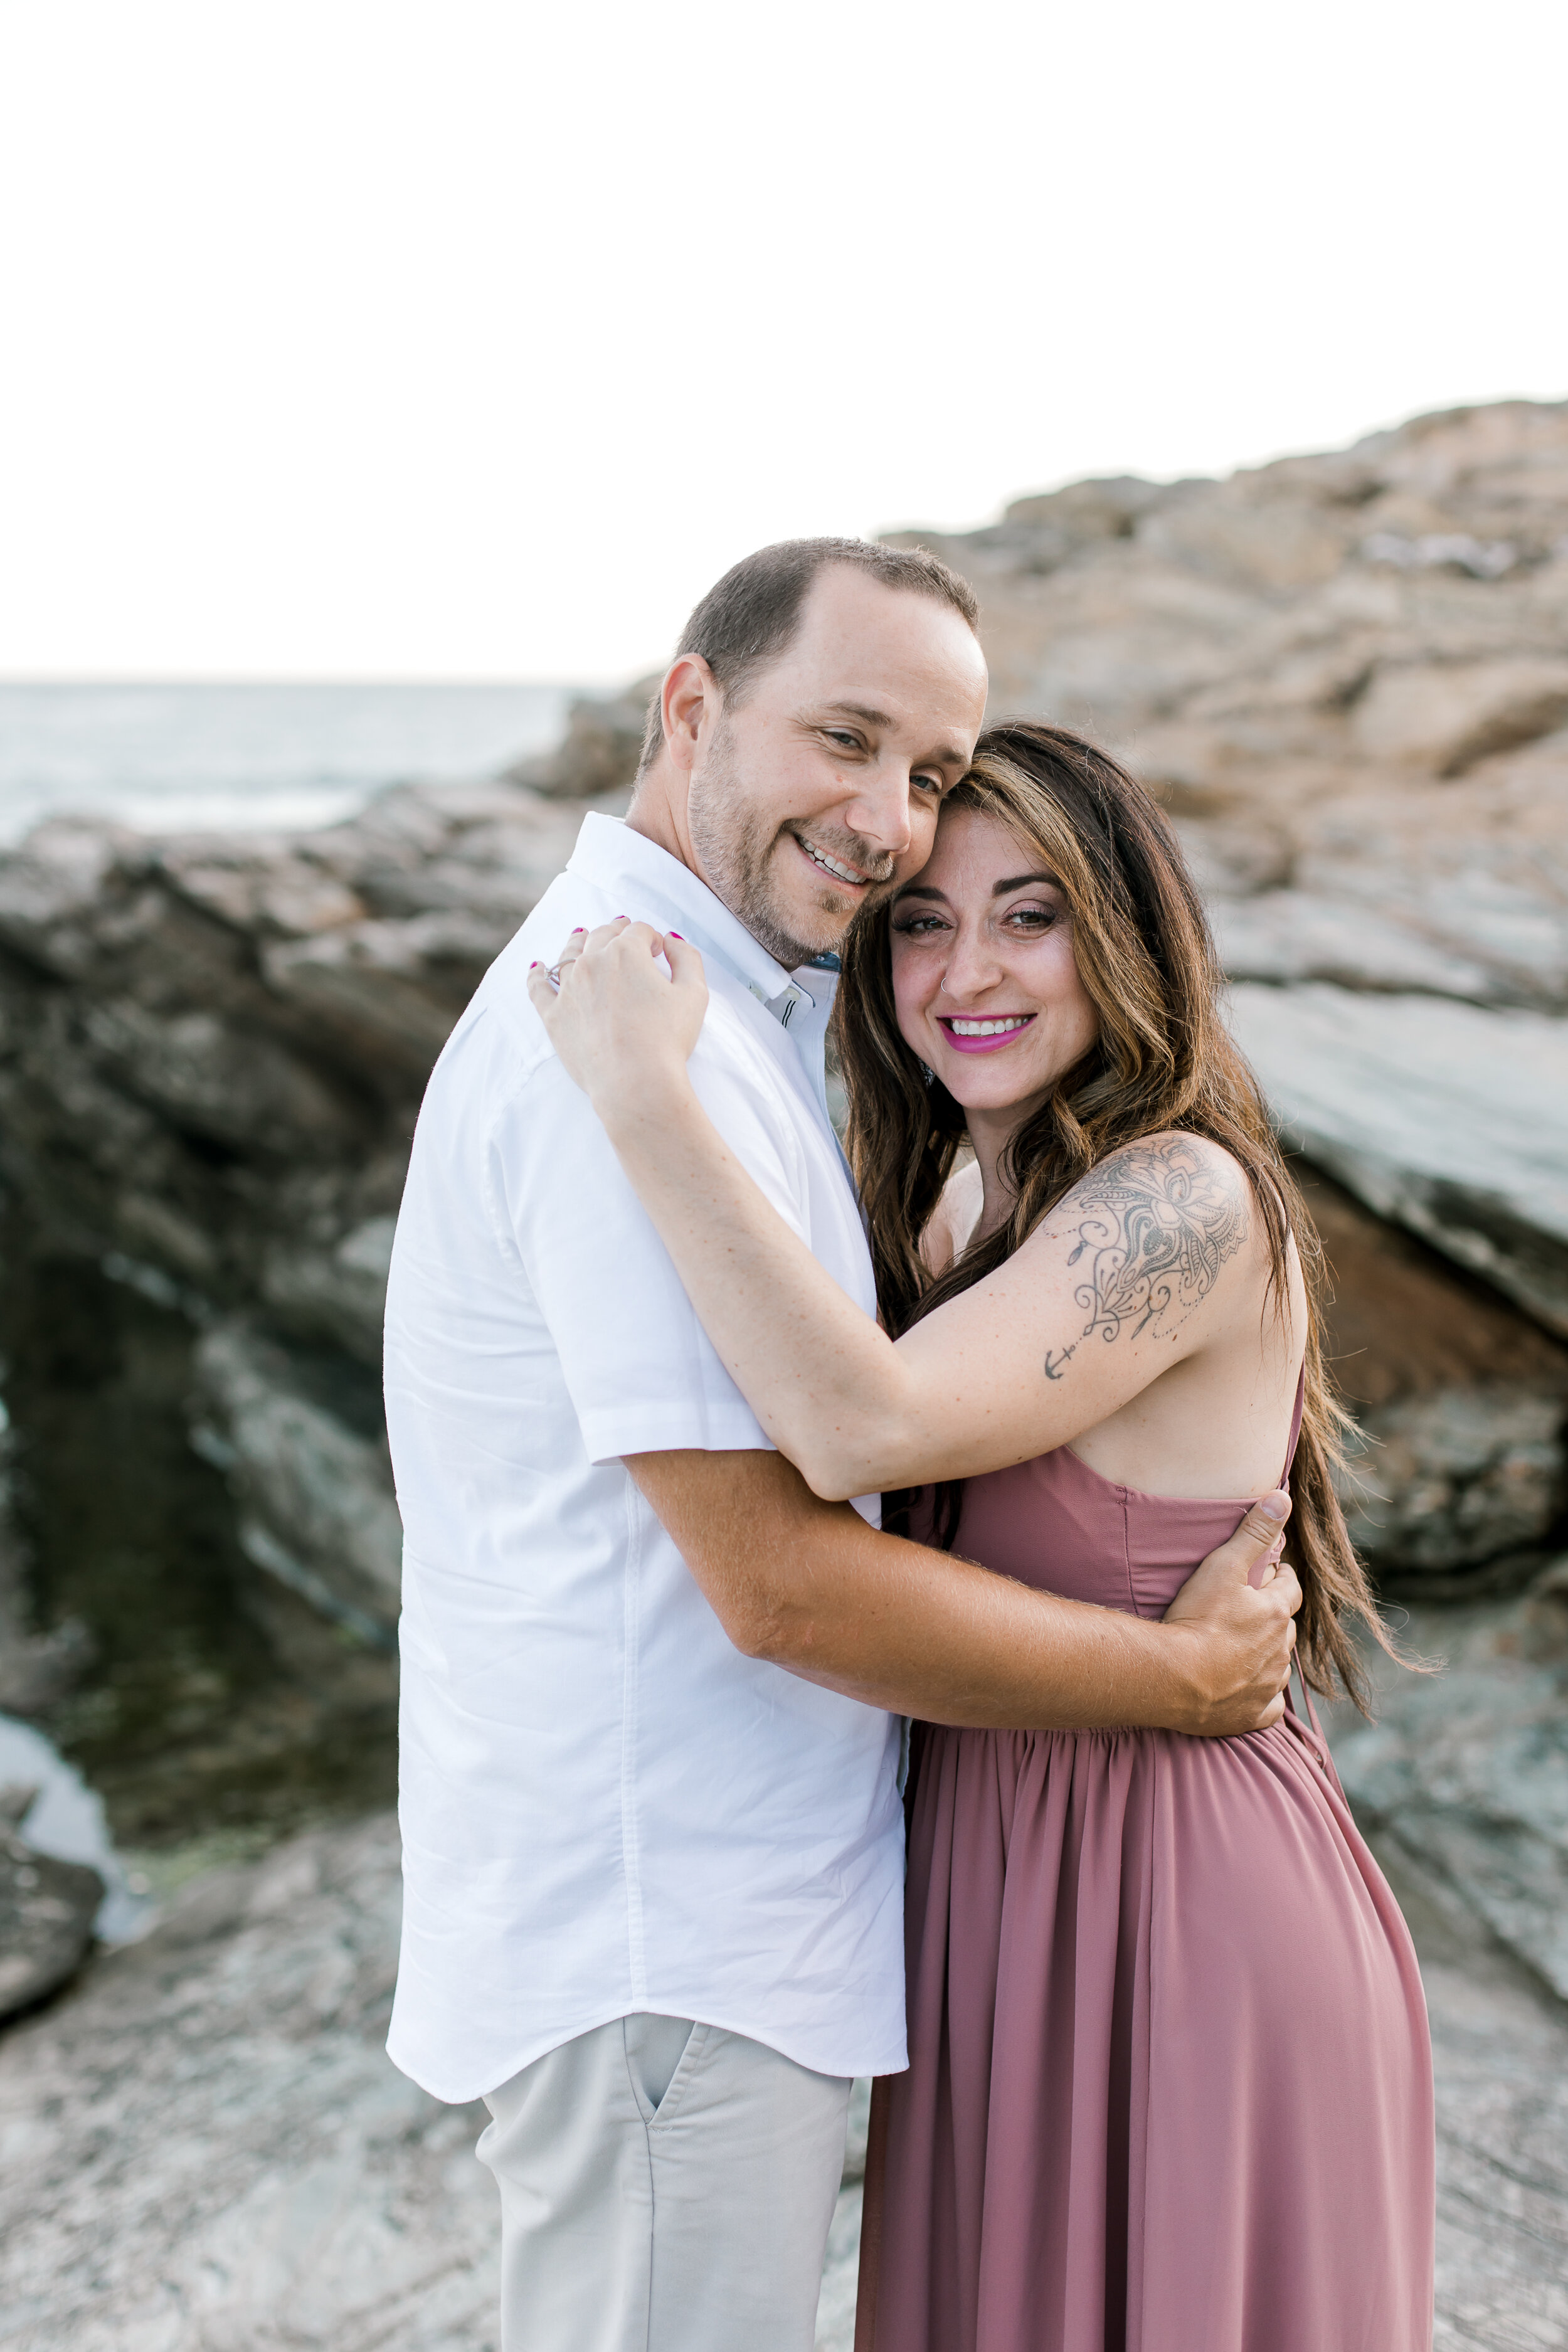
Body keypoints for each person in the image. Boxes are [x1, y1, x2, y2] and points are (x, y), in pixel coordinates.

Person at [383, 541, 1303, 2352]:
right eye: (848, 738)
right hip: (681, 1935)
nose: (888, 824)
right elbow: (784, 1581)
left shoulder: (721, 1048)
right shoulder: (630, 1044)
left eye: (931, 775)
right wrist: (1175, 1677)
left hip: (861, 1923)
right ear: (690, 705)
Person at [529, 718, 1436, 2351]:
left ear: (1124, 934)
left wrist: (641, 1094)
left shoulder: (1181, 1204)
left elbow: (860, 1426)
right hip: (992, 1895)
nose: (968, 971)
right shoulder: (949, 1201)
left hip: (1182, 1906)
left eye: (1030, 914)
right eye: (922, 923)